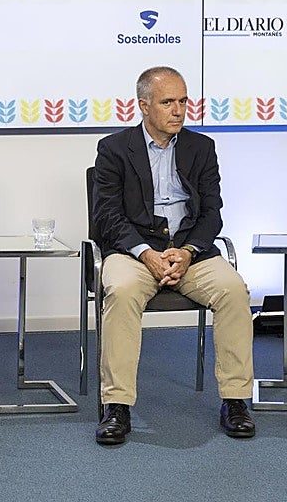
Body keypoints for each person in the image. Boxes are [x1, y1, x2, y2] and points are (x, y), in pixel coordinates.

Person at [91, 66, 256, 445]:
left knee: (233, 290)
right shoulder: (114, 149)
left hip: (189, 253)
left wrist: (186, 250)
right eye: (168, 102)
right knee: (122, 291)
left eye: (183, 101)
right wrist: (146, 253)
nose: (179, 110)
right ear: (144, 106)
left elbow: (212, 211)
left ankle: (235, 400)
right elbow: (107, 216)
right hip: (134, 252)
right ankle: (116, 406)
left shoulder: (201, 147)